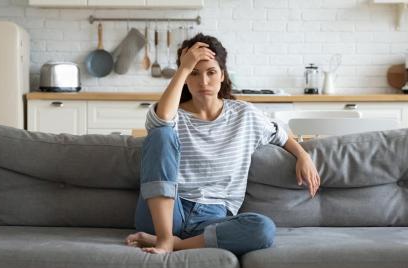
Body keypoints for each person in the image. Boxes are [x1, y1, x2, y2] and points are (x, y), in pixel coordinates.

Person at [126, 33, 320, 255]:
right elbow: (160, 121)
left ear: (222, 75)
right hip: (166, 210)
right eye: (194, 73)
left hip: (212, 219)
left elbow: (281, 135)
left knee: (263, 228)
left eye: (211, 72)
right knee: (161, 134)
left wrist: (303, 156)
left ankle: (174, 243)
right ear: (186, 78)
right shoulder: (173, 115)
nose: (203, 82)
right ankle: (163, 237)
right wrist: (183, 67)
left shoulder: (244, 115)